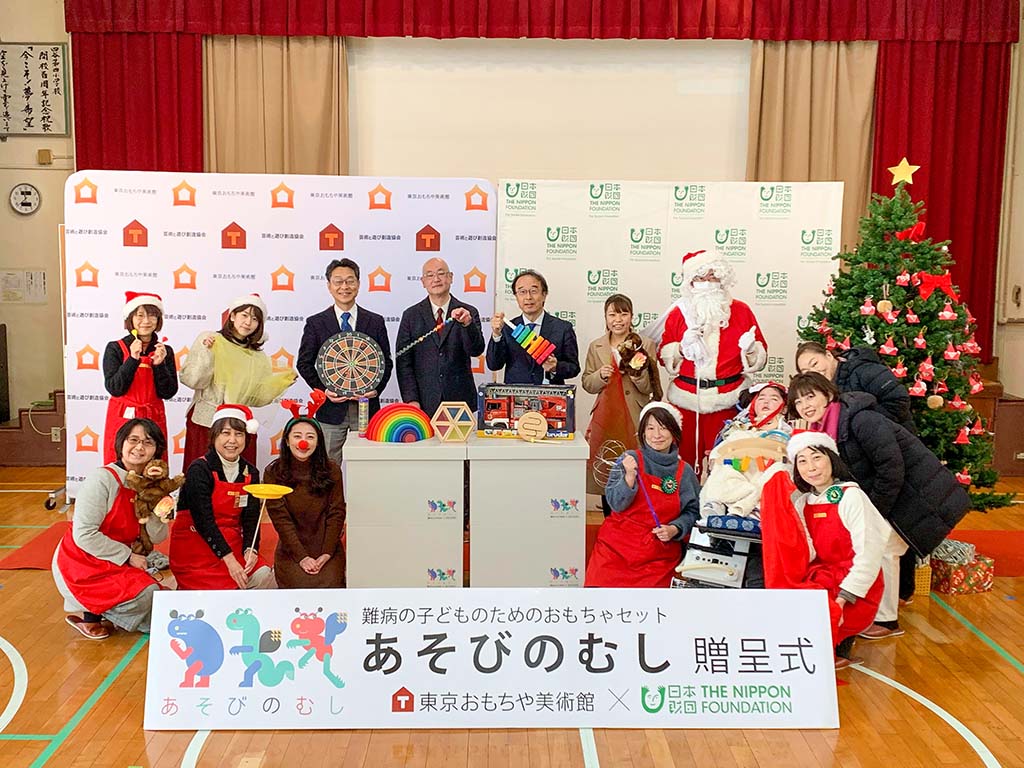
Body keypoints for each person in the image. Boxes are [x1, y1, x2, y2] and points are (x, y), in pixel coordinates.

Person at [786, 372, 970, 639]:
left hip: (917, 494)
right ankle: (879, 611)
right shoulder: (826, 426)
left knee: (884, 548)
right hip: (895, 494)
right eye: (798, 402)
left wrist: (873, 512)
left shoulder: (861, 419)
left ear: (828, 394)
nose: (805, 405)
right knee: (883, 548)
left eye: (810, 396)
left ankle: (886, 620)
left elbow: (891, 467)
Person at [761, 432, 890, 669]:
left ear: (832, 458)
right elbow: (808, 551)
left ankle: (832, 650)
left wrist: (843, 598)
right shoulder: (803, 502)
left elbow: (869, 554)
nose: (811, 467)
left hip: (855, 584)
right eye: (802, 461)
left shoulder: (851, 496)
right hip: (823, 577)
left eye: (817, 457)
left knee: (821, 618)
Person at [651, 250, 767, 471]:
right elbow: (663, 356)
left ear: (722, 278)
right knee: (680, 466)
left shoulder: (741, 311)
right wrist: (681, 348)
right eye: (700, 277)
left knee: (727, 466)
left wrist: (751, 349)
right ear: (691, 281)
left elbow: (759, 357)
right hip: (686, 400)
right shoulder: (679, 314)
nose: (707, 282)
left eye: (712, 276)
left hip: (727, 400)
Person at [54, 418, 169, 640]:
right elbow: (84, 534)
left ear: (156, 450)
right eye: (133, 440)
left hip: (115, 561)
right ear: (120, 444)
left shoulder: (154, 484)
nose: (139, 447)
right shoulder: (102, 478)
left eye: (148, 442)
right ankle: (92, 615)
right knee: (150, 595)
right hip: (82, 561)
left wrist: (155, 504)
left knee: (157, 599)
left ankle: (113, 613)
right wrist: (128, 556)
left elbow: (158, 536)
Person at [585, 402, 701, 588]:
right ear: (643, 433)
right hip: (615, 550)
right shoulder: (629, 459)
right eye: (650, 428)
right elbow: (615, 504)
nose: (657, 435)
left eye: (663, 428)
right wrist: (629, 477)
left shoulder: (684, 471)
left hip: (659, 557)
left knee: (654, 604)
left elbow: (693, 512)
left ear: (674, 432)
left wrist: (675, 529)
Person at [179, 294, 296, 468]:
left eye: (255, 319)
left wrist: (281, 383)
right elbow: (192, 380)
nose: (248, 322)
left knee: (239, 475)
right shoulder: (210, 339)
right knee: (200, 472)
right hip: (206, 421)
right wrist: (208, 353)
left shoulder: (255, 355)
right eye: (244, 315)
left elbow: (256, 398)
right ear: (232, 316)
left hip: (238, 422)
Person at [297, 258, 394, 465]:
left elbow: (386, 362)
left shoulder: (375, 321)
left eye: (350, 281)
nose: (344, 287)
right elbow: (304, 363)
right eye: (338, 281)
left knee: (368, 466)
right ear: (329, 286)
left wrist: (375, 390)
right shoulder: (316, 323)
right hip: (330, 411)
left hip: (366, 408)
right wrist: (324, 390)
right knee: (327, 468)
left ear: (358, 284)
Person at [170, 404, 276, 591]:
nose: (232, 440)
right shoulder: (199, 469)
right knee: (214, 592)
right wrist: (229, 560)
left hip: (232, 543)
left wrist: (250, 549)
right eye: (226, 433)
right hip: (196, 545)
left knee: (263, 574)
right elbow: (203, 521)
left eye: (239, 434)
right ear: (214, 436)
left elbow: (251, 517)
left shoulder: (250, 472)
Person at [581, 294, 659, 514]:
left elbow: (650, 387)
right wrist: (600, 375)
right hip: (607, 416)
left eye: (623, 314)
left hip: (635, 415)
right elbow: (587, 383)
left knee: (637, 469)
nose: (618, 320)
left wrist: (636, 375)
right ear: (605, 317)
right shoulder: (596, 346)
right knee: (608, 469)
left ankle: (634, 522)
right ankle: (610, 522)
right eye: (612, 314)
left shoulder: (645, 344)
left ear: (632, 317)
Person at [395, 257, 485, 418]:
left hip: (460, 402)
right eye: (430, 275)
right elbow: (404, 361)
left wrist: (467, 324)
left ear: (450, 277)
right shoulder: (411, 315)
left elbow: (476, 350)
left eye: (441, 273)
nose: (436, 279)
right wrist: (411, 399)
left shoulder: (468, 312)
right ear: (423, 282)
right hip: (424, 403)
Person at [263, 415, 346, 589]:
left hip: (326, 546)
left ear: (318, 442)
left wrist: (327, 553)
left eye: (310, 437)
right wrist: (301, 557)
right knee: (298, 584)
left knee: (330, 581)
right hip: (292, 549)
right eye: (297, 436)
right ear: (287, 441)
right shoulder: (273, 472)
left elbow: (336, 513)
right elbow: (280, 519)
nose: (303, 442)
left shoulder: (332, 470)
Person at [102, 292, 177, 464]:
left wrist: (159, 365)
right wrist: (132, 359)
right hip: (123, 416)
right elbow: (114, 388)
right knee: (121, 460)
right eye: (140, 315)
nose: (146, 321)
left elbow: (168, 392)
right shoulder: (115, 348)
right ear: (131, 319)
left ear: (158, 319)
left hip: (153, 415)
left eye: (152, 315)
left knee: (154, 463)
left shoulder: (164, 351)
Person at [795, 341, 915, 432]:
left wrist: (868, 425)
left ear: (828, 355)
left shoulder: (864, 370)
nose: (814, 372)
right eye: (806, 371)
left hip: (894, 441)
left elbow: (899, 400)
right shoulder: (823, 389)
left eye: (815, 364)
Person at [486, 269, 580, 385]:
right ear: (516, 296)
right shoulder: (507, 328)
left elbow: (574, 368)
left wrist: (556, 367)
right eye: (522, 292)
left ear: (544, 295)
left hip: (550, 394)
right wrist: (496, 335)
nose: (528, 297)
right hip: (516, 394)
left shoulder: (563, 328)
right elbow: (494, 365)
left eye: (534, 291)